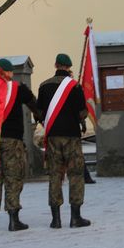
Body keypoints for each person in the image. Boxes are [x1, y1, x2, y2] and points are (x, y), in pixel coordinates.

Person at [0, 58, 41, 232]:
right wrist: (39, 116)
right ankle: (13, 220)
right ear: (8, 73)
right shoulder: (18, 88)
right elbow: (34, 104)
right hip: (12, 140)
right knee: (13, 178)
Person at [37, 53, 91, 228]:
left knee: (55, 175)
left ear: (55, 65)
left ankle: (56, 219)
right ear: (68, 67)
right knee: (75, 175)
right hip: (71, 136)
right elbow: (82, 112)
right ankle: (76, 217)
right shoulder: (74, 86)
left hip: (52, 136)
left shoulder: (43, 86)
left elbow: (39, 113)